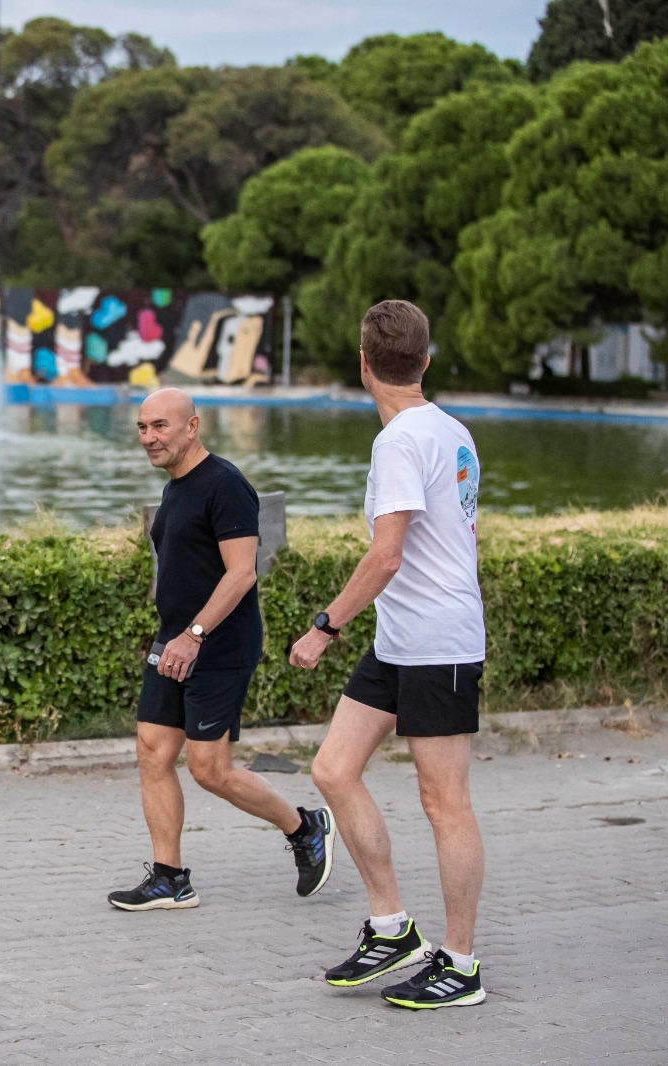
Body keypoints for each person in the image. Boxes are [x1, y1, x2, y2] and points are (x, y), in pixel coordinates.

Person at [289, 300, 488, 1009]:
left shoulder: (400, 441)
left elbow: (386, 555)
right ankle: (391, 928)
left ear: (364, 364)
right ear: (425, 361)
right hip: (400, 640)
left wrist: (324, 626)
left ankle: (459, 964)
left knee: (444, 803)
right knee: (333, 769)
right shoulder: (451, 429)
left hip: (438, 644)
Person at [109, 388, 335, 912]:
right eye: (143, 427)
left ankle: (304, 827)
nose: (149, 438)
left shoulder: (225, 484)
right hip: (174, 639)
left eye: (161, 426)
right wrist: (175, 633)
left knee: (210, 769)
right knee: (152, 752)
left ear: (192, 426)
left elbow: (241, 573)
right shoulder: (176, 487)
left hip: (217, 644)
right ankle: (169, 878)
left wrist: (194, 635)